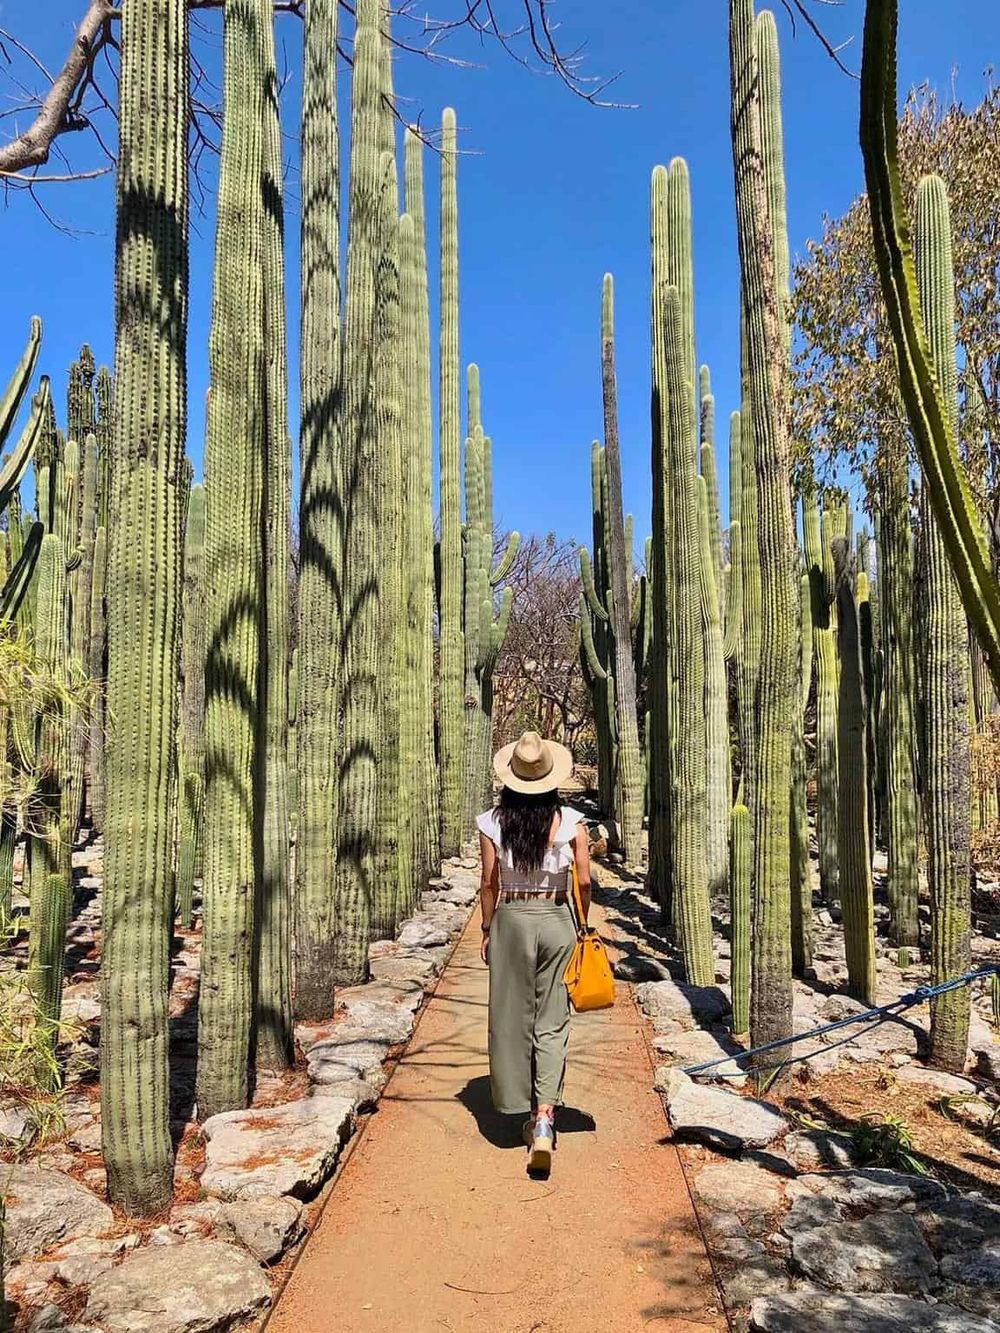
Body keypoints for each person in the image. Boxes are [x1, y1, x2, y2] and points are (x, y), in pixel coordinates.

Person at [476, 730, 592, 1173]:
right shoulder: (572, 822)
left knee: (510, 1018)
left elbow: (489, 881)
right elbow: (582, 880)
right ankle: (544, 1120)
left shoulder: (491, 822)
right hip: (557, 919)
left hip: (511, 920)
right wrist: (583, 921)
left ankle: (516, 1105)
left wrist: (488, 928)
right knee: (552, 1018)